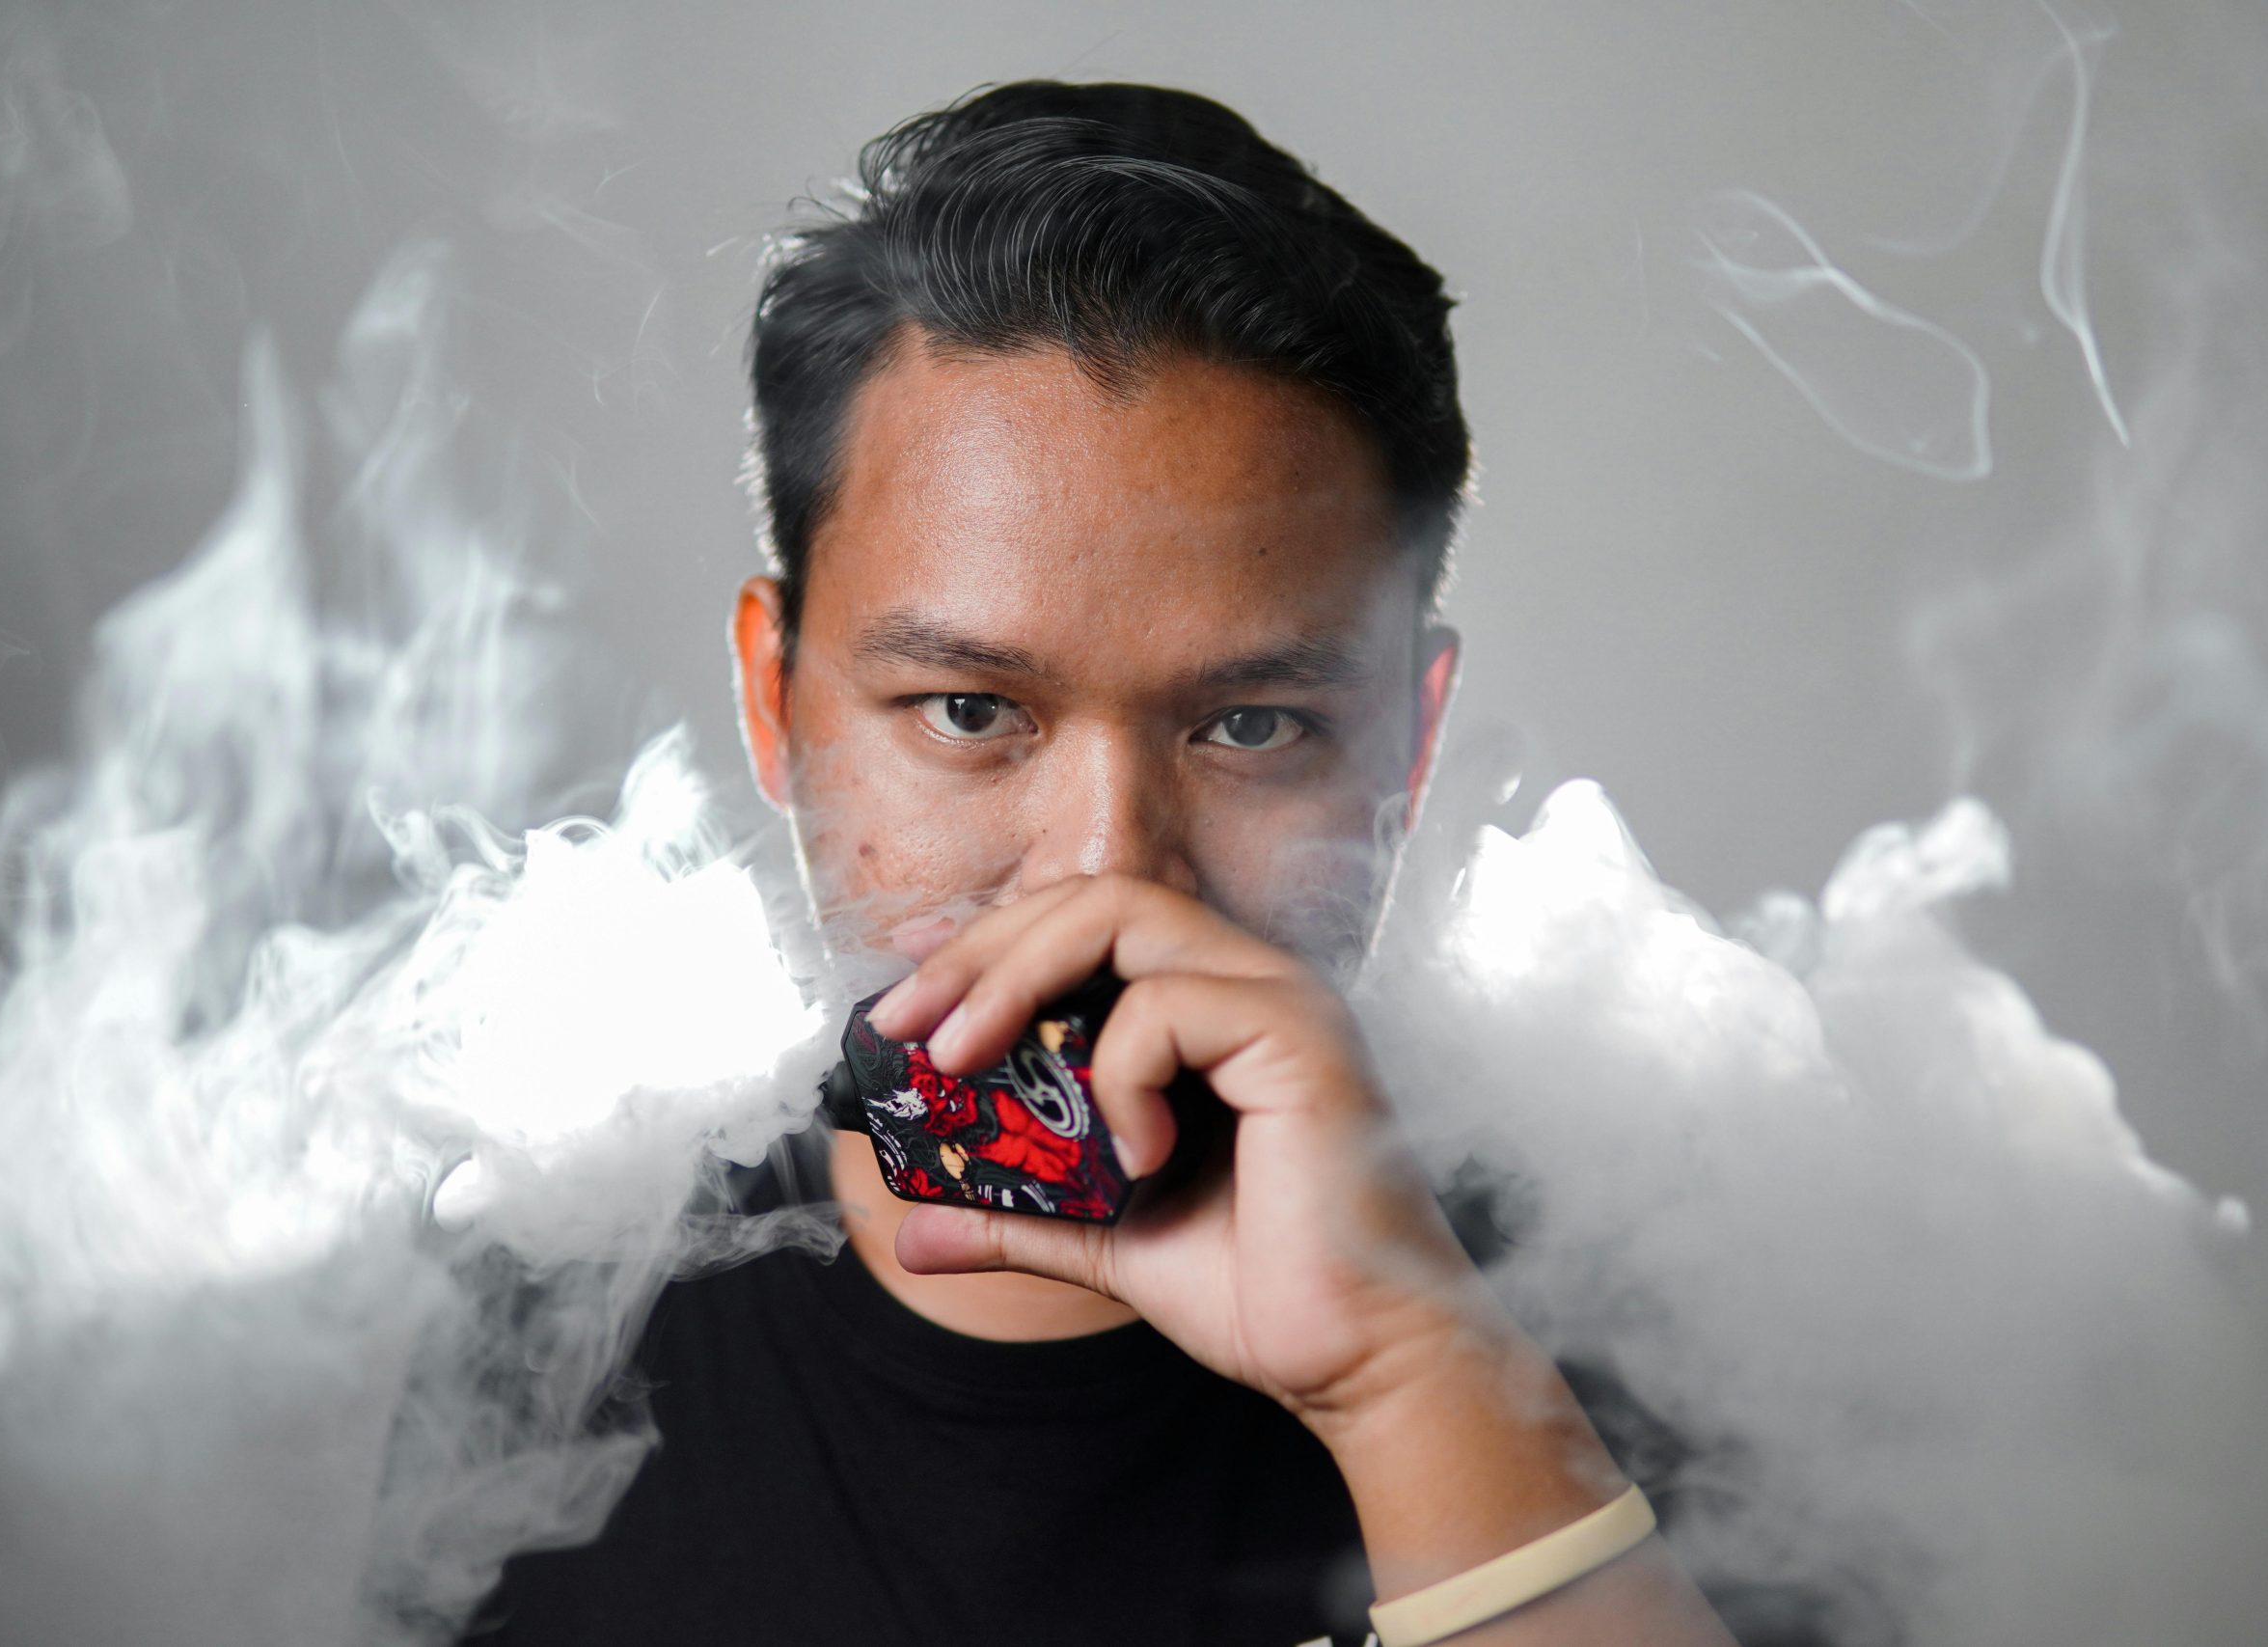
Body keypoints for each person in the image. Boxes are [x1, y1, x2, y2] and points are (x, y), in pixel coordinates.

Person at [475, 81, 1741, 1647]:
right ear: (774, 701)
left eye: (1255, 727)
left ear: (1408, 750)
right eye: (967, 710)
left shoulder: (1680, 1364)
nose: (1102, 879)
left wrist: (1409, 1382)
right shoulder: (505, 1356)